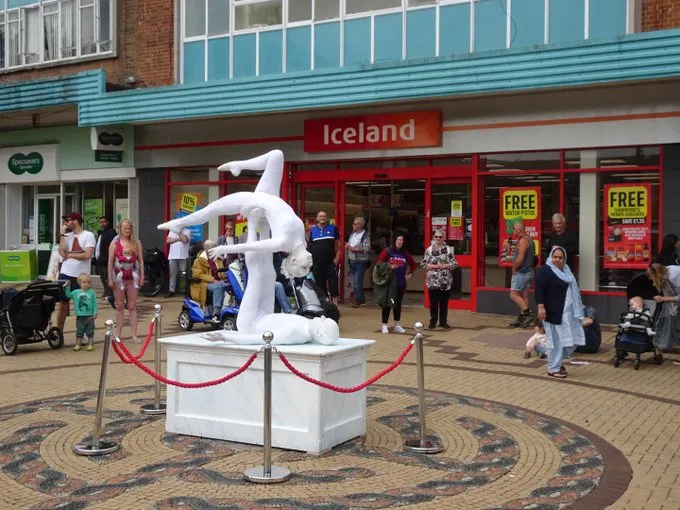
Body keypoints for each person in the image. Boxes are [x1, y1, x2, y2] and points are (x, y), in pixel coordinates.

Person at [159, 149, 339, 346]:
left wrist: (231, 244)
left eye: (324, 323)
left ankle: (181, 223)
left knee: (258, 269)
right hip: (263, 201)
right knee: (265, 272)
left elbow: (255, 246)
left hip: (251, 323)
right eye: (325, 319)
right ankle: (239, 167)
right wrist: (239, 237)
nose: (321, 319)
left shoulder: (297, 242)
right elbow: (256, 246)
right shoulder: (292, 243)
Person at [535, 246, 585, 379]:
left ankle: (556, 361)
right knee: (555, 342)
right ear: (551, 257)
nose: (557, 260)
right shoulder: (545, 270)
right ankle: (553, 368)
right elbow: (539, 290)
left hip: (569, 313)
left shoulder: (567, 272)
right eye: (555, 257)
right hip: (553, 313)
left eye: (560, 257)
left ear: (564, 259)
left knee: (573, 341)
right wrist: (541, 307)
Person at [56, 212, 96, 334]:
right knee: (63, 303)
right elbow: (62, 253)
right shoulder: (67, 236)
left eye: (68, 220)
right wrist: (62, 234)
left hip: (81, 275)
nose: (66, 223)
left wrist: (70, 255)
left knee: (83, 304)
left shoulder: (88, 235)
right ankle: (59, 332)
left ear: (75, 221)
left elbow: (87, 254)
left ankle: (83, 333)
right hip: (66, 273)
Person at [108, 219, 144, 342]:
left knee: (132, 306)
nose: (127, 230)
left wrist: (142, 277)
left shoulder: (136, 243)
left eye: (129, 228)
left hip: (133, 278)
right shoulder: (114, 243)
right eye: (125, 228)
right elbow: (110, 262)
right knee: (120, 306)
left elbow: (141, 261)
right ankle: (118, 333)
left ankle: (134, 335)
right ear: (120, 229)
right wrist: (109, 279)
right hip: (118, 278)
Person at [377, 234, 417, 334]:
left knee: (397, 305)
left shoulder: (405, 253)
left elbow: (413, 264)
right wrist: (390, 267)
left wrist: (410, 274)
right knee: (388, 304)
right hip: (390, 283)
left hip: (400, 282)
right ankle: (384, 325)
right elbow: (379, 264)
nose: (399, 241)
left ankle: (397, 325)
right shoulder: (388, 251)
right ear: (395, 241)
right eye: (398, 239)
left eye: (401, 240)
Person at [422, 229, 456, 329]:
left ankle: (443, 321)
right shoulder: (429, 250)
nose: (438, 239)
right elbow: (424, 264)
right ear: (434, 237)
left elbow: (454, 264)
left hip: (445, 281)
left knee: (444, 303)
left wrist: (445, 265)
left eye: (440, 237)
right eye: (436, 237)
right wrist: (434, 266)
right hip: (433, 281)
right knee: (433, 302)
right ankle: (433, 321)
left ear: (444, 238)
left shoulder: (448, 250)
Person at [190, 239, 228, 323]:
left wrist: (226, 277)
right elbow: (197, 274)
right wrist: (212, 279)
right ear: (207, 248)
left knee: (228, 286)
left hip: (218, 281)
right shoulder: (199, 260)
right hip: (203, 283)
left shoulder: (218, 259)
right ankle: (216, 313)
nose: (215, 249)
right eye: (213, 248)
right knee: (218, 287)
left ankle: (226, 309)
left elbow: (221, 272)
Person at [309, 211, 341, 304]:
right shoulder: (313, 230)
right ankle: (326, 307)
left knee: (333, 285)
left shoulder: (333, 228)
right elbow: (311, 247)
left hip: (330, 263)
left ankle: (335, 308)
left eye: (324, 216)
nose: (322, 218)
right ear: (317, 218)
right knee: (320, 287)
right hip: (317, 264)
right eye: (320, 216)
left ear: (326, 218)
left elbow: (339, 245)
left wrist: (337, 258)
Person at [509, 221, 536, 328]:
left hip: (522, 272)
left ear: (520, 229)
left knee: (513, 294)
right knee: (523, 296)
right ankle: (522, 318)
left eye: (514, 228)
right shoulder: (528, 239)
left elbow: (520, 258)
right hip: (528, 271)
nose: (513, 230)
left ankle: (528, 314)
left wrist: (514, 268)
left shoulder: (524, 240)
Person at [647, 263, 680, 351]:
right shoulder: (667, 270)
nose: (653, 283)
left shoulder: (673, 276)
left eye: (653, 278)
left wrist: (663, 298)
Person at [64, 273, 98, 352]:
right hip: (80, 316)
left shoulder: (92, 292)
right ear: (79, 283)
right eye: (84, 282)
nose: (86, 284)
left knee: (90, 330)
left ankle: (90, 344)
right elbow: (68, 295)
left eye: (88, 282)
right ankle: (78, 344)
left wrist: (95, 312)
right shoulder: (76, 292)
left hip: (89, 316)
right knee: (79, 330)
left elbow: (94, 303)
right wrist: (67, 287)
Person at [345, 216, 371, 307]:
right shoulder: (353, 234)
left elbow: (366, 248)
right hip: (352, 260)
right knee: (357, 281)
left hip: (361, 261)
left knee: (357, 281)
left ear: (360, 225)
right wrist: (348, 245)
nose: (353, 225)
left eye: (355, 224)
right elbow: (350, 243)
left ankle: (358, 300)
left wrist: (354, 249)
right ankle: (361, 299)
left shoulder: (365, 235)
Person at [94, 216, 117, 297]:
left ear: (107, 222)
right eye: (100, 222)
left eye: (104, 222)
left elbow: (114, 245)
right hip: (100, 259)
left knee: (108, 277)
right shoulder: (101, 233)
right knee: (103, 277)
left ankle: (110, 293)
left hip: (107, 259)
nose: (102, 224)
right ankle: (106, 291)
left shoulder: (111, 232)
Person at [166, 226, 191, 297]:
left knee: (183, 274)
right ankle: (171, 290)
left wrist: (178, 233)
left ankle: (184, 291)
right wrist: (179, 239)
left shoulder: (187, 231)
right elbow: (168, 241)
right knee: (172, 274)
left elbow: (185, 240)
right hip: (172, 256)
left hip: (183, 256)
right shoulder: (172, 230)